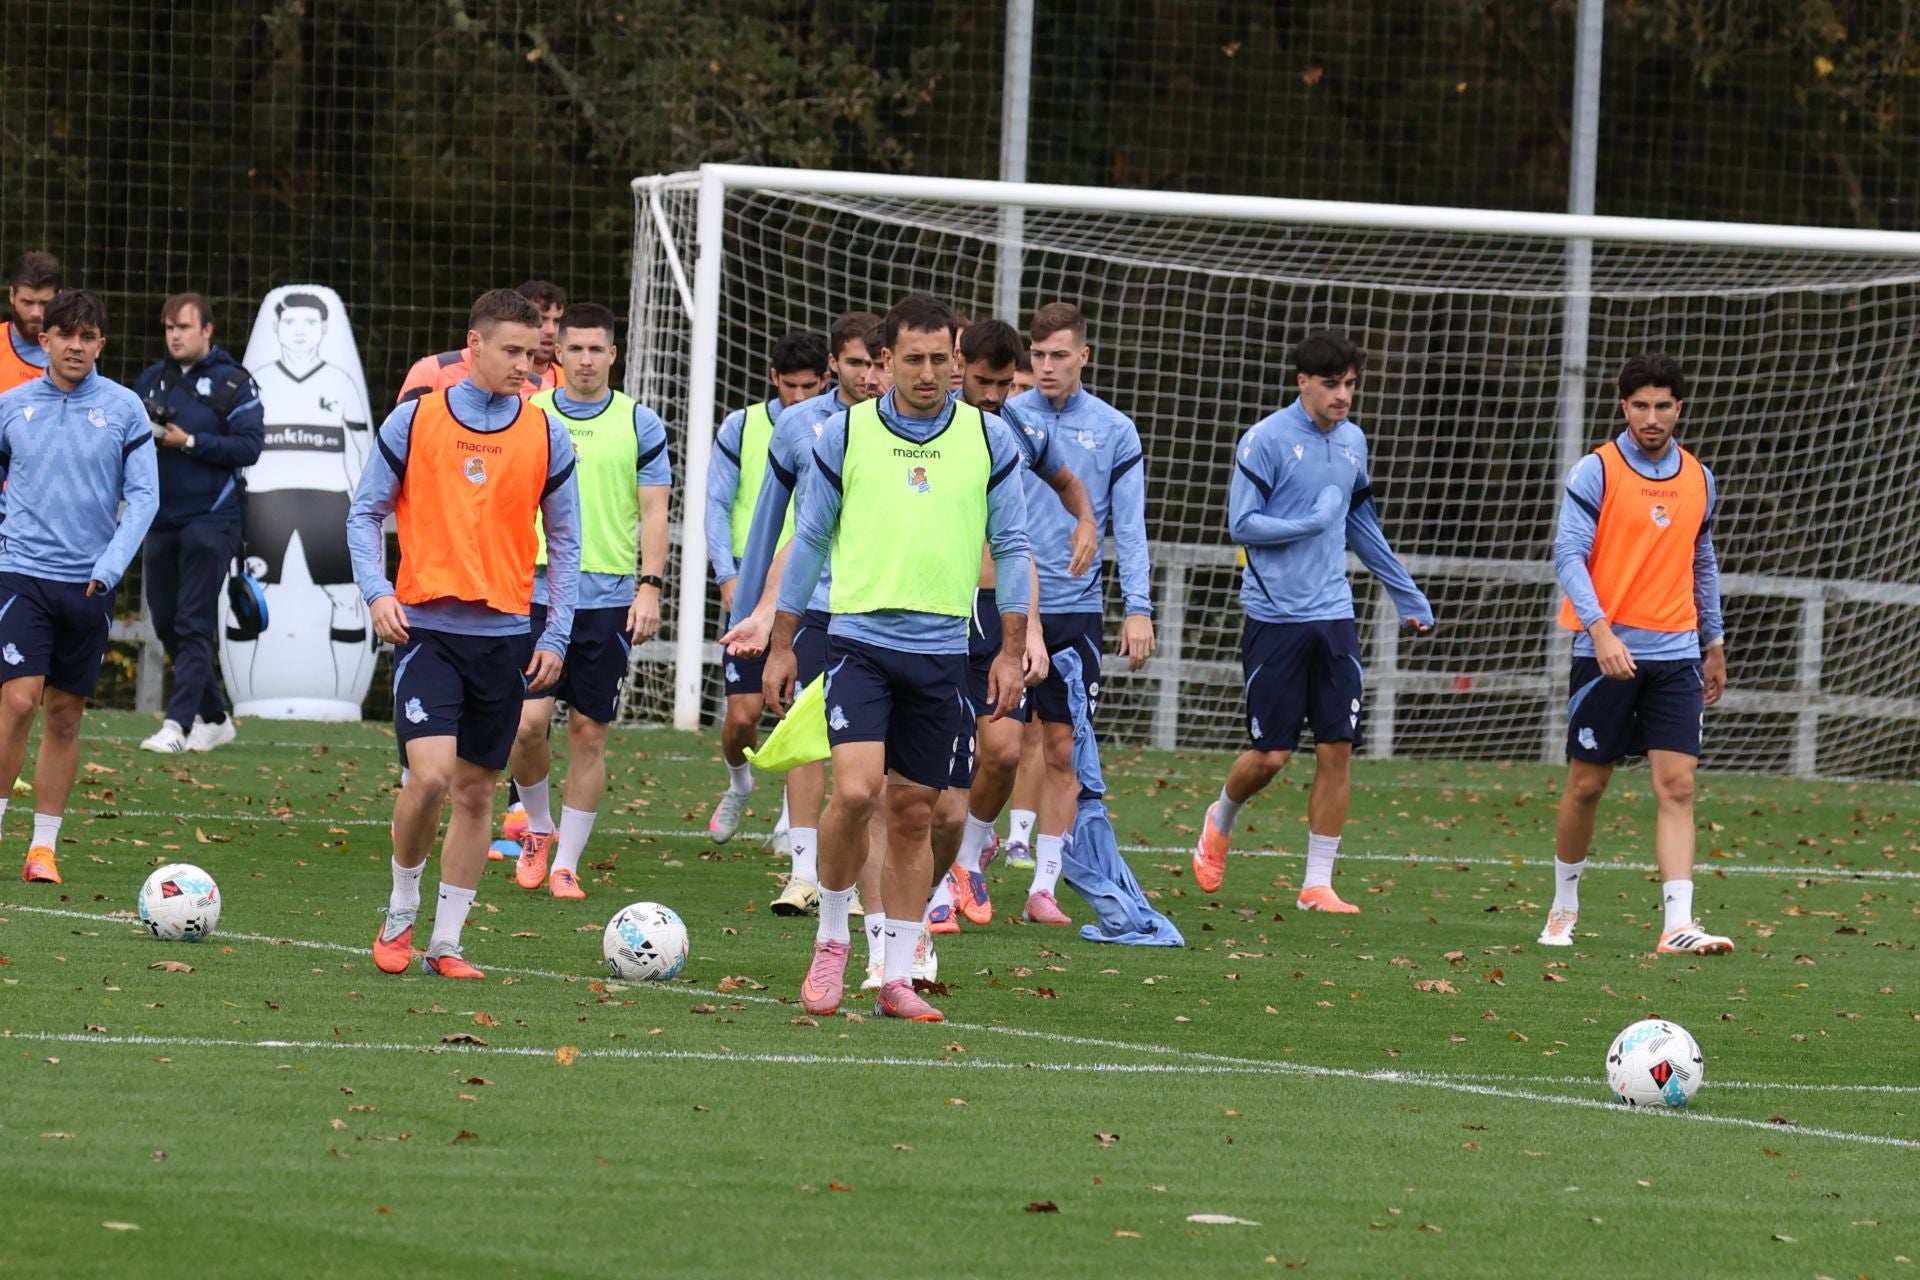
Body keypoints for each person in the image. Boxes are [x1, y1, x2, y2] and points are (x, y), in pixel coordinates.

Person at [762, 295, 1031, 1023]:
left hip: (944, 649)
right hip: (859, 643)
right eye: (912, 358)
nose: (928, 371)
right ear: (886, 362)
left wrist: (1011, 649)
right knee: (854, 795)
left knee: (914, 813)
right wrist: (783, 641)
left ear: (958, 357)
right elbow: (810, 540)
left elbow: (1010, 547)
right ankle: (830, 942)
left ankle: (897, 972)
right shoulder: (844, 435)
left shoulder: (990, 439)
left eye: (941, 358)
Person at [347, 288, 580, 980]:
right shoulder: (414, 422)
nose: (527, 366)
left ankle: (447, 942)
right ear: (473, 346)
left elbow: (567, 543)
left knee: (478, 792)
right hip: (428, 632)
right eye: (512, 351)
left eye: (534, 353)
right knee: (429, 779)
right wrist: (377, 592)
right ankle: (400, 907)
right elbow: (364, 515)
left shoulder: (546, 431)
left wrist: (556, 634)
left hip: (508, 636)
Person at [1191, 333, 1433, 908]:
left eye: (1351, 384)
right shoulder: (1266, 440)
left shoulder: (1353, 442)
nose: (1343, 395)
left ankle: (1316, 884)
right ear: (1303, 382)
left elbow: (1360, 525)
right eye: (1331, 384)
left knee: (1337, 747)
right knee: (1272, 755)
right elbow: (1242, 524)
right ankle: (1220, 816)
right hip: (1274, 616)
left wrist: (1407, 593)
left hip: (1335, 615)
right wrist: (1309, 519)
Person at [1543, 353, 1731, 955]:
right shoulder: (1595, 471)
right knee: (1587, 786)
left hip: (1676, 653)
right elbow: (1568, 555)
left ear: (1680, 408)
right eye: (1641, 406)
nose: (1652, 417)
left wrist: (1714, 641)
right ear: (1624, 407)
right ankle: (1563, 907)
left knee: (1677, 786)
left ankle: (1678, 924)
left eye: (1663, 405)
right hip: (1606, 652)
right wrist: (1599, 632)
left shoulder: (1698, 478)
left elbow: (1702, 562)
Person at [928, 319, 1098, 933]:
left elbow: (1062, 490)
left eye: (1005, 384)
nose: (996, 395)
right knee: (940, 758)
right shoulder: (927, 424)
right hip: (934, 608)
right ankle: (930, 884)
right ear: (956, 365)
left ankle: (967, 860)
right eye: (984, 381)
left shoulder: (1017, 428)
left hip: (998, 606)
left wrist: (1085, 521)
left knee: (1001, 750)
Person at [506, 302, 671, 900]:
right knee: (526, 726)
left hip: (607, 596)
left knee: (588, 733)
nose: (583, 359)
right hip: (535, 590)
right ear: (558, 354)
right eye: (573, 349)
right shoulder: (529, 414)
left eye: (595, 349)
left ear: (612, 355)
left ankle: (566, 863)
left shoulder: (639, 422)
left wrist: (649, 587)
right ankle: (539, 826)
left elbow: (655, 510)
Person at [713, 312, 879, 903]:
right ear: (835, 362)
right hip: (812, 603)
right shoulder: (799, 426)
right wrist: (758, 607)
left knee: (866, 758)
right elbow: (777, 525)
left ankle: (858, 877)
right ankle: (805, 872)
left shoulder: (907, 430)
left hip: (878, 609)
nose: (868, 374)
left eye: (877, 362)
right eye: (857, 361)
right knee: (802, 732)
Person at [0, 290, 159, 884]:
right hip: (20, 574)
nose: (75, 346)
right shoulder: (11, 407)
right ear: (45, 340)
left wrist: (112, 564)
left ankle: (43, 848)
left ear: (101, 345)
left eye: (87, 336)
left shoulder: (123, 409)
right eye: (65, 335)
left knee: (64, 715)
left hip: (90, 584)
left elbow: (144, 496)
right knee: (17, 702)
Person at [1005, 302, 1154, 925]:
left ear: (1083, 357)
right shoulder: (1006, 419)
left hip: (1078, 612)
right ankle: (965, 869)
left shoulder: (1115, 429)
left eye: (1058, 355)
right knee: (999, 749)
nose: (1046, 367)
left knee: (1064, 750)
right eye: (1036, 356)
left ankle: (1043, 885)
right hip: (1006, 606)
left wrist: (1138, 608)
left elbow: (1134, 526)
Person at [703, 332, 830, 849]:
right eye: (790, 386)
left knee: (797, 708)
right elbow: (715, 502)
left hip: (810, 594)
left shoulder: (836, 428)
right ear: (774, 379)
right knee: (742, 716)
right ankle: (739, 784)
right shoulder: (742, 427)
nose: (800, 396)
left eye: (810, 386)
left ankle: (788, 823)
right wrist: (728, 576)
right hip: (752, 588)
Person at [133, 293, 264, 753]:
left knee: (192, 624)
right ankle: (215, 715)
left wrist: (189, 443)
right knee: (167, 623)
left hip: (213, 517)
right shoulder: (151, 380)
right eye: (169, 327)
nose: (174, 335)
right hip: (161, 517)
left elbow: (250, 447)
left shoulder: (235, 382)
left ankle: (176, 725)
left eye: (184, 327)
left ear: (207, 330)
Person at [395, 281, 569, 404]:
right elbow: (399, 444)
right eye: (511, 350)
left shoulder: (546, 390)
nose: (550, 330)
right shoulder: (431, 372)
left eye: (556, 321)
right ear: (475, 341)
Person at [2, 252, 60, 390]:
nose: (36, 313)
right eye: (27, 302)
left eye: (45, 303)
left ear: (59, 297)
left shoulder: (74, 352)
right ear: (12, 295)